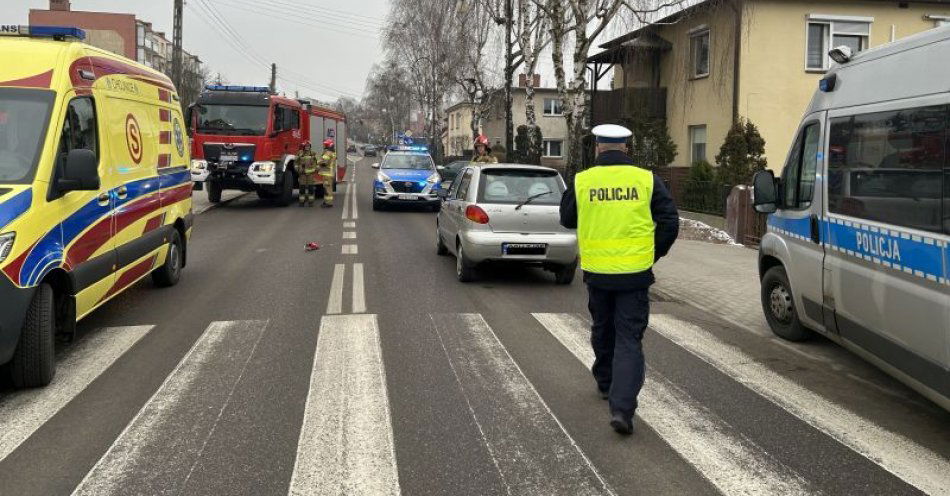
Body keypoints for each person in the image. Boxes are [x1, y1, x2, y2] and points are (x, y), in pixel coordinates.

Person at [559, 124, 679, 435]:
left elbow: (567, 218)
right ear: (626, 147)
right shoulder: (646, 179)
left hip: (598, 273)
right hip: (635, 275)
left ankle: (605, 382)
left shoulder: (583, 181)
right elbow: (669, 221)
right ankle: (622, 409)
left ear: (598, 147)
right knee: (628, 338)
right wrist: (652, 254)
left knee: (602, 327)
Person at [295, 141, 319, 207]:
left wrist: (316, 169)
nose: (307, 147)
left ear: (310, 147)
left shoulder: (313, 153)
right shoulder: (299, 153)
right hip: (302, 174)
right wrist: (297, 169)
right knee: (302, 188)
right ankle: (301, 202)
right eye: (306, 146)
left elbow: (317, 162)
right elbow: (296, 162)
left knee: (311, 189)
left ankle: (311, 202)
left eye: (308, 146)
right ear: (303, 147)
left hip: (310, 174)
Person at [317, 138, 337, 208]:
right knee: (328, 188)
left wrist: (318, 162)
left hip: (327, 174)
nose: (325, 146)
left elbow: (324, 162)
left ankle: (328, 203)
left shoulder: (328, 153)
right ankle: (327, 201)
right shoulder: (333, 153)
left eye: (325, 145)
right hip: (330, 173)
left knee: (327, 189)